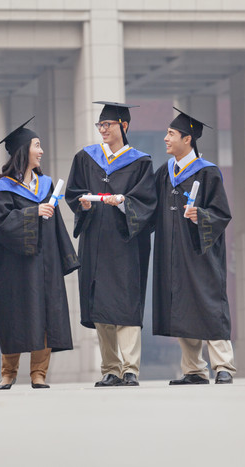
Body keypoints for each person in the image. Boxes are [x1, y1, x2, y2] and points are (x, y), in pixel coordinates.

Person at [65, 101, 156, 387]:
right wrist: (83, 205)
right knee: (100, 304)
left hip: (125, 243)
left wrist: (124, 202)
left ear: (123, 127)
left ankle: (130, 369)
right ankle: (110, 369)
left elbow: (147, 203)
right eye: (100, 125)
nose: (103, 130)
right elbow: (73, 192)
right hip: (95, 241)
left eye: (108, 125)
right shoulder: (85, 158)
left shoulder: (141, 162)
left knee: (126, 304)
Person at [0, 117, 80, 390]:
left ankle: (39, 373)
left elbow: (56, 224)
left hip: (44, 261)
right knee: (13, 314)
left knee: (45, 314)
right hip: (14, 264)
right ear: (23, 150)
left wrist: (65, 257)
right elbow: (1, 224)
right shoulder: (1, 187)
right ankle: (9, 372)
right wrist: (33, 212)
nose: (41, 151)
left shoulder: (46, 184)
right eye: (36, 146)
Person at [152, 107, 237, 385]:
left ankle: (223, 365)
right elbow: (149, 206)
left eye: (171, 134)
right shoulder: (165, 174)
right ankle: (193, 370)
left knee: (209, 303)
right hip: (174, 253)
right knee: (181, 307)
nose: (165, 138)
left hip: (201, 252)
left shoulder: (208, 172)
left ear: (187, 139)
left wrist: (200, 215)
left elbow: (222, 214)